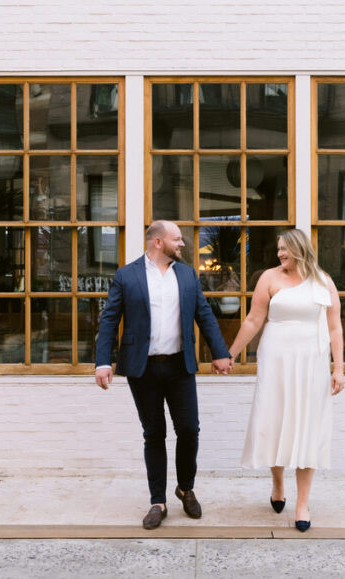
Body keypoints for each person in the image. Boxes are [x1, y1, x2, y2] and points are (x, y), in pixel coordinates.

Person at [94, 220, 233, 530]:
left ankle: (185, 488)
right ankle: (158, 501)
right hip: (142, 369)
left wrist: (221, 352)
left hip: (179, 365)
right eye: (177, 239)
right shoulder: (126, 276)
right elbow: (109, 320)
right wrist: (103, 361)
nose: (182, 244)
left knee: (189, 430)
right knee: (154, 434)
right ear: (157, 242)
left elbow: (204, 314)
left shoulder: (186, 275)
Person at [226, 228, 345, 532]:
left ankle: (302, 503)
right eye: (279, 249)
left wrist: (339, 367)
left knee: (308, 427)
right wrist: (230, 355)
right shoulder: (269, 278)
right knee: (275, 422)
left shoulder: (323, 282)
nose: (280, 254)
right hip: (276, 359)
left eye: (285, 249)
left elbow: (334, 328)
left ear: (300, 249)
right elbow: (254, 320)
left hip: (311, 363)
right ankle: (278, 483)